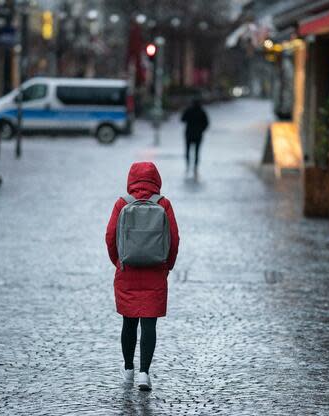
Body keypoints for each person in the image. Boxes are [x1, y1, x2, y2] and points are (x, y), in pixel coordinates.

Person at [105, 162, 180, 391]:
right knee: (149, 324)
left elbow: (110, 237)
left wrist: (118, 262)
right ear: (156, 179)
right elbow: (174, 239)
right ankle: (144, 373)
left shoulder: (122, 204)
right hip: (155, 272)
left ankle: (128, 369)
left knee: (128, 322)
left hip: (127, 272)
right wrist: (167, 266)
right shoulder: (163, 204)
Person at [180, 99, 209, 177]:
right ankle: (195, 167)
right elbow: (206, 123)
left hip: (189, 134)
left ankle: (188, 165)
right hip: (198, 135)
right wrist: (201, 129)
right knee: (197, 151)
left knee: (188, 151)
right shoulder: (202, 112)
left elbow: (182, 119)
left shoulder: (189, 110)